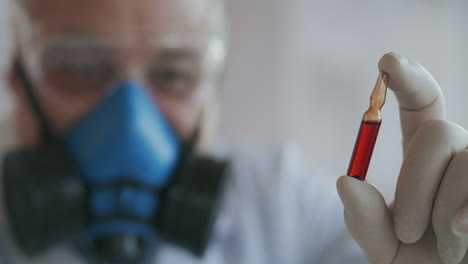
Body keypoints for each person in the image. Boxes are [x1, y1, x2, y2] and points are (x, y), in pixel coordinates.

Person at [0, 0, 467, 263]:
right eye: (80, 69)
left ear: (211, 88)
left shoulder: (276, 203)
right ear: (17, 77)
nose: (129, 123)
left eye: (174, 75)